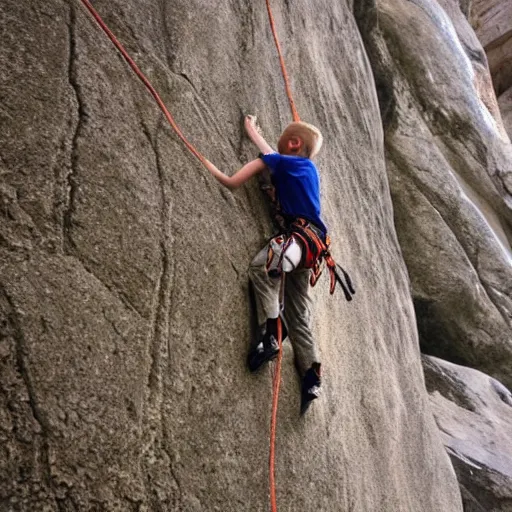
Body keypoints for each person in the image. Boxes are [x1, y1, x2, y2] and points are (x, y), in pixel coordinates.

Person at [204, 115, 325, 414]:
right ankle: (312, 377)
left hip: (296, 241)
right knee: (299, 312)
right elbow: (275, 157)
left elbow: (238, 178)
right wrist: (254, 133)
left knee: (261, 269)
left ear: (294, 144)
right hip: (313, 247)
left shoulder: (285, 163)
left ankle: (271, 334)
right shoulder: (304, 168)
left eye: (287, 140)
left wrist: (206, 161)